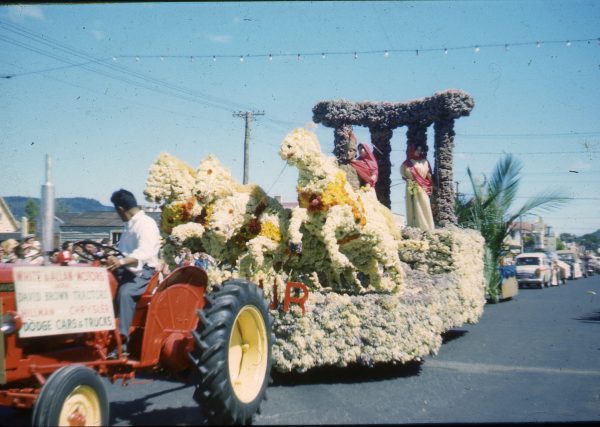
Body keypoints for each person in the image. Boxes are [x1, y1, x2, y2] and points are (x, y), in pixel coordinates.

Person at [105, 189, 161, 359]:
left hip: (143, 272)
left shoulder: (146, 224)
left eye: (117, 211)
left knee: (125, 293)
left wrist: (120, 262)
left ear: (121, 209)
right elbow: (122, 251)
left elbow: (143, 252)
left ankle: (121, 343)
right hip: (125, 269)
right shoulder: (128, 225)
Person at [400, 143, 435, 231]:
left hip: (422, 186)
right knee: (413, 205)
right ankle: (414, 227)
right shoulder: (406, 163)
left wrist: (431, 183)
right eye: (417, 150)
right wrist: (408, 180)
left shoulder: (425, 162)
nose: (419, 152)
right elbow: (403, 175)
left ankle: (427, 227)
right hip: (411, 186)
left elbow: (428, 175)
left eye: (420, 150)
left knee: (424, 204)